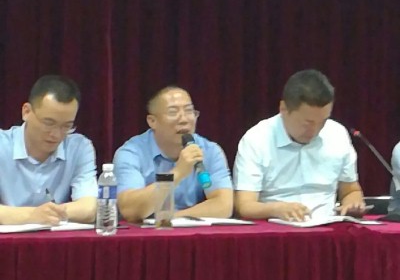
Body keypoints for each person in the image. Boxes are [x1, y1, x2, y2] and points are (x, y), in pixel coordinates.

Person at [234, 69, 366, 221]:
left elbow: (350, 191)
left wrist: (352, 203)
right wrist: (276, 209)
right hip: (277, 227)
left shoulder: (337, 134)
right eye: (307, 123)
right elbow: (244, 206)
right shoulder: (257, 139)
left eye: (323, 122)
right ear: (283, 109)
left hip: (328, 227)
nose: (315, 130)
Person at [114, 86, 233, 222]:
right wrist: (178, 172)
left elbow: (223, 205)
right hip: (145, 233)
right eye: (173, 112)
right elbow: (130, 210)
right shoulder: (131, 153)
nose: (184, 120)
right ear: (152, 121)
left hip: (191, 230)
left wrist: (171, 218)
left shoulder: (210, 151)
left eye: (189, 111)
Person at [0, 75, 98, 225]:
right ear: (26, 112)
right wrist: (33, 215)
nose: (56, 135)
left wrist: (49, 214)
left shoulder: (79, 147)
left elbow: (89, 208)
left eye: (67, 126)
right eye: (48, 123)